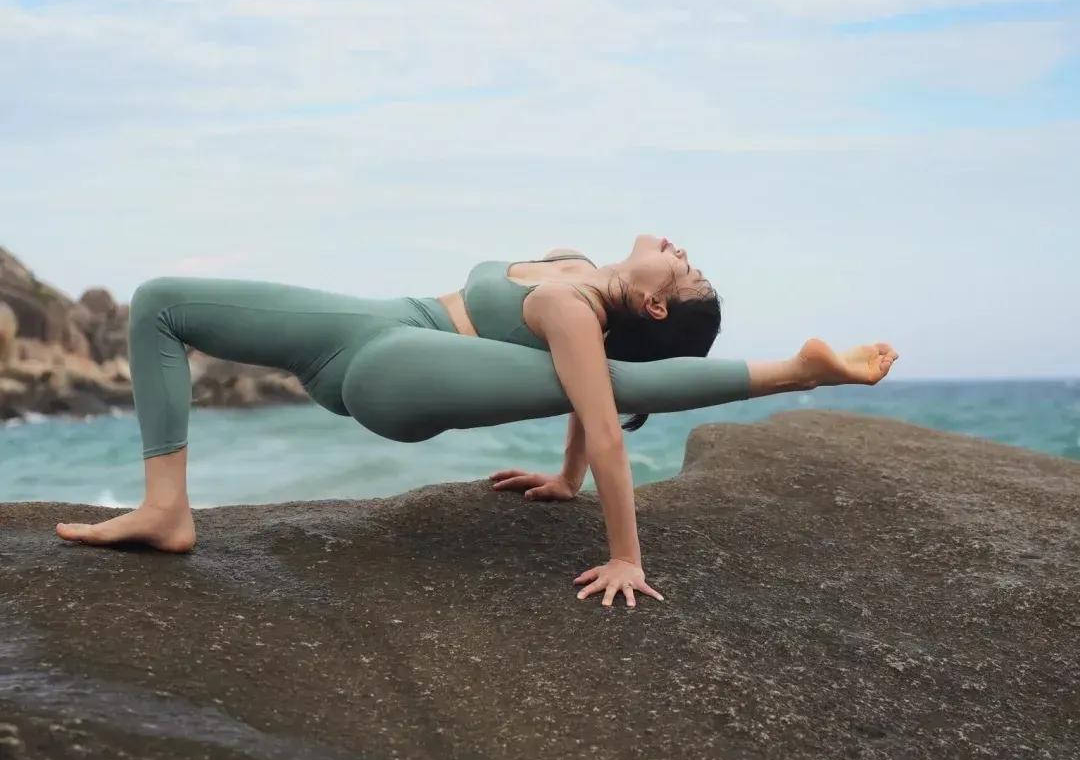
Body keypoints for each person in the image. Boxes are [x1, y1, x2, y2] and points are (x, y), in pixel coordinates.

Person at [55, 233, 898, 606]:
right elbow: (589, 386)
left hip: (398, 372)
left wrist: (623, 556)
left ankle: (794, 369)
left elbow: (602, 417)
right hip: (374, 321)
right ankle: (166, 507)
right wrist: (563, 477)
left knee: (591, 377)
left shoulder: (572, 307)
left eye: (688, 269)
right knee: (163, 303)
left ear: (650, 299)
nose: (682, 251)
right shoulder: (576, 269)